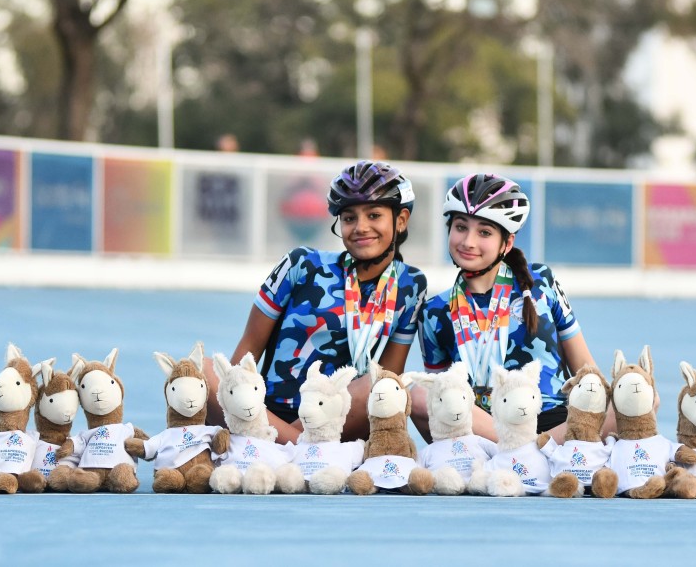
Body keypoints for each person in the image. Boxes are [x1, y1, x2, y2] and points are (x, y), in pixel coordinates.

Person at [204, 160, 428, 444]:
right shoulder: (302, 263)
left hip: (337, 421)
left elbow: (390, 375)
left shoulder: (411, 284)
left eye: (374, 215)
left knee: (382, 383)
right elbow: (248, 348)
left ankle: (266, 448)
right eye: (349, 218)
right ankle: (297, 451)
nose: (360, 227)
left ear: (401, 220)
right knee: (202, 370)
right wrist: (237, 402)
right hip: (264, 412)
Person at [415, 173, 614, 445]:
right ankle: (527, 453)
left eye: (484, 232)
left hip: (555, 422)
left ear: (507, 243)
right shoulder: (434, 312)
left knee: (637, 395)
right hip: (486, 430)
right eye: (461, 227)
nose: (468, 241)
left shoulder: (541, 281)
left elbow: (586, 371)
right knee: (418, 394)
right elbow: (441, 399)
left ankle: (525, 454)